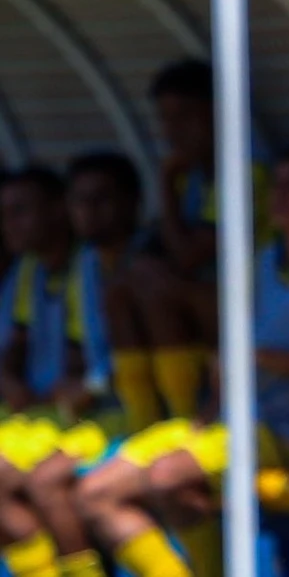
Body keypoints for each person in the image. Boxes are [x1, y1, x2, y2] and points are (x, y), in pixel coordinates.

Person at [77, 142, 289, 577]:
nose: (280, 197)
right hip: (236, 423)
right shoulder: (262, 261)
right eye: (276, 186)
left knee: (169, 479)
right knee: (96, 493)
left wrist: (259, 358)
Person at [118, 58, 270, 429]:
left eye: (184, 116)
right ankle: (145, 418)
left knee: (155, 286)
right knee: (123, 287)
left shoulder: (245, 174)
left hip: (255, 307)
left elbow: (187, 257)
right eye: (166, 119)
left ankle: (183, 416)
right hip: (209, 302)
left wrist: (166, 185)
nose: (172, 131)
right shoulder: (195, 178)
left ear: (218, 113)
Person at [0, 164, 123, 577]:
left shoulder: (87, 266)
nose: (8, 224)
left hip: (91, 417)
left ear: (56, 211)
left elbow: (84, 370)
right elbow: (12, 350)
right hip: (41, 415)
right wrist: (11, 381)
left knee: (39, 482)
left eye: (20, 211)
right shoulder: (27, 271)